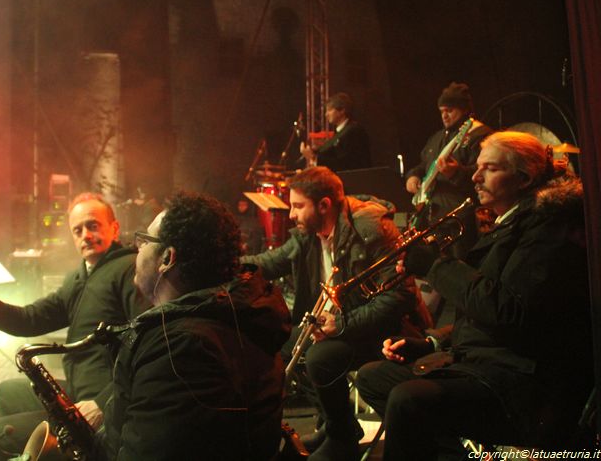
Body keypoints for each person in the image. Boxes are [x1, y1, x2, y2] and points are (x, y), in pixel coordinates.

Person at [355, 131, 592, 460]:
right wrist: (432, 343)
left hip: (522, 384)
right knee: (373, 377)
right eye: (477, 168)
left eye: (489, 169)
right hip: (486, 366)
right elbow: (483, 311)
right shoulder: (511, 223)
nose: (475, 177)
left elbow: (507, 311)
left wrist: (436, 266)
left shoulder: (547, 228)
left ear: (522, 178)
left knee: (408, 400)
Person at [242, 166, 431, 461]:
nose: (291, 214)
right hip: (343, 327)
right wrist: (226, 262)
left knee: (320, 356)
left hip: (388, 331)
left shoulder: (370, 228)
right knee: (280, 343)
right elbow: (269, 262)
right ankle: (337, 424)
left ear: (324, 205)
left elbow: (401, 296)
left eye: (297, 206)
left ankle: (341, 439)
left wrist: (341, 325)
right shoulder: (309, 233)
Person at [0, 193, 148, 461]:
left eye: (93, 225)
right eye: (77, 230)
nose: (85, 235)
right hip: (78, 390)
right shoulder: (80, 276)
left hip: (103, 400)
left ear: (115, 228)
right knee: (8, 392)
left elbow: (146, 343)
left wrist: (101, 403)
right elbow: (30, 319)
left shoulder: (126, 270)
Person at [101, 192, 291, 460]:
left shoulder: (180, 349)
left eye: (144, 241)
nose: (137, 249)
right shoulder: (233, 320)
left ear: (167, 258)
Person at [405, 82, 492, 257]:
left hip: (461, 219)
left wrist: (457, 173)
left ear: (465, 109)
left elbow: (486, 174)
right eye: (442, 111)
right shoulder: (436, 138)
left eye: (450, 110)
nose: (444, 115)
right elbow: (423, 165)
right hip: (433, 217)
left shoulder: (480, 135)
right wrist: (413, 176)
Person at [300, 92, 372, 172]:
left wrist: (314, 158)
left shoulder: (354, 131)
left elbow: (346, 163)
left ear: (342, 110)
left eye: (329, 110)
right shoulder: (339, 132)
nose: (326, 114)